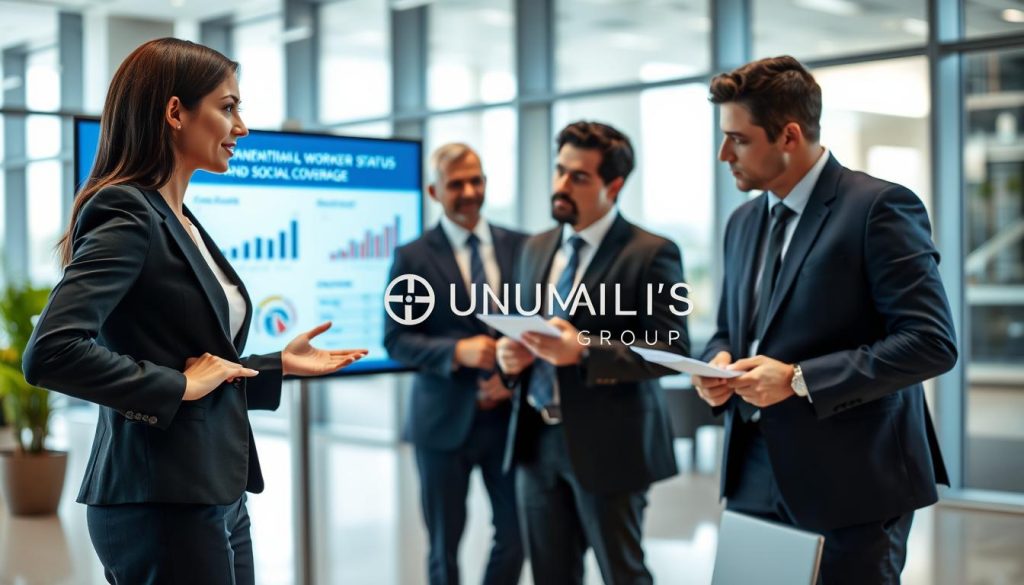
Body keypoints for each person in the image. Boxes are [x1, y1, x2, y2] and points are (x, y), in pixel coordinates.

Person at [22, 38, 367, 585]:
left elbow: (189, 355)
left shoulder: (177, 217)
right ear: (176, 112)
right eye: (228, 107)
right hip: (158, 499)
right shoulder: (127, 211)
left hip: (212, 489)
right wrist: (175, 387)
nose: (242, 126)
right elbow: (50, 353)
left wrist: (278, 364)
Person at [692, 56, 958, 584]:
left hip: (853, 484)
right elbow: (731, 328)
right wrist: (715, 363)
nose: (724, 154)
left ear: (788, 135)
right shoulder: (743, 221)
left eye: (738, 139)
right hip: (753, 472)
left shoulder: (879, 208)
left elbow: (930, 342)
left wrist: (797, 379)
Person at [496, 121, 689, 585]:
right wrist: (512, 360)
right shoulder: (535, 248)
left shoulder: (652, 252)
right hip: (535, 441)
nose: (562, 185)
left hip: (611, 445)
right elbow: (531, 333)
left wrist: (583, 350)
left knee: (622, 574)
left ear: (614, 185)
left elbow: (672, 347)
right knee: (551, 576)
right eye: (560, 171)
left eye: (578, 177)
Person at [384, 143, 525, 585]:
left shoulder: (522, 247)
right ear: (433, 191)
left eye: (476, 180)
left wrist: (512, 379)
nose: (469, 191)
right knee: (444, 547)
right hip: (442, 423)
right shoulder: (413, 257)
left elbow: (536, 332)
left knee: (517, 536)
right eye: (456, 184)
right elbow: (396, 340)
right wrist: (455, 352)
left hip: (508, 420)